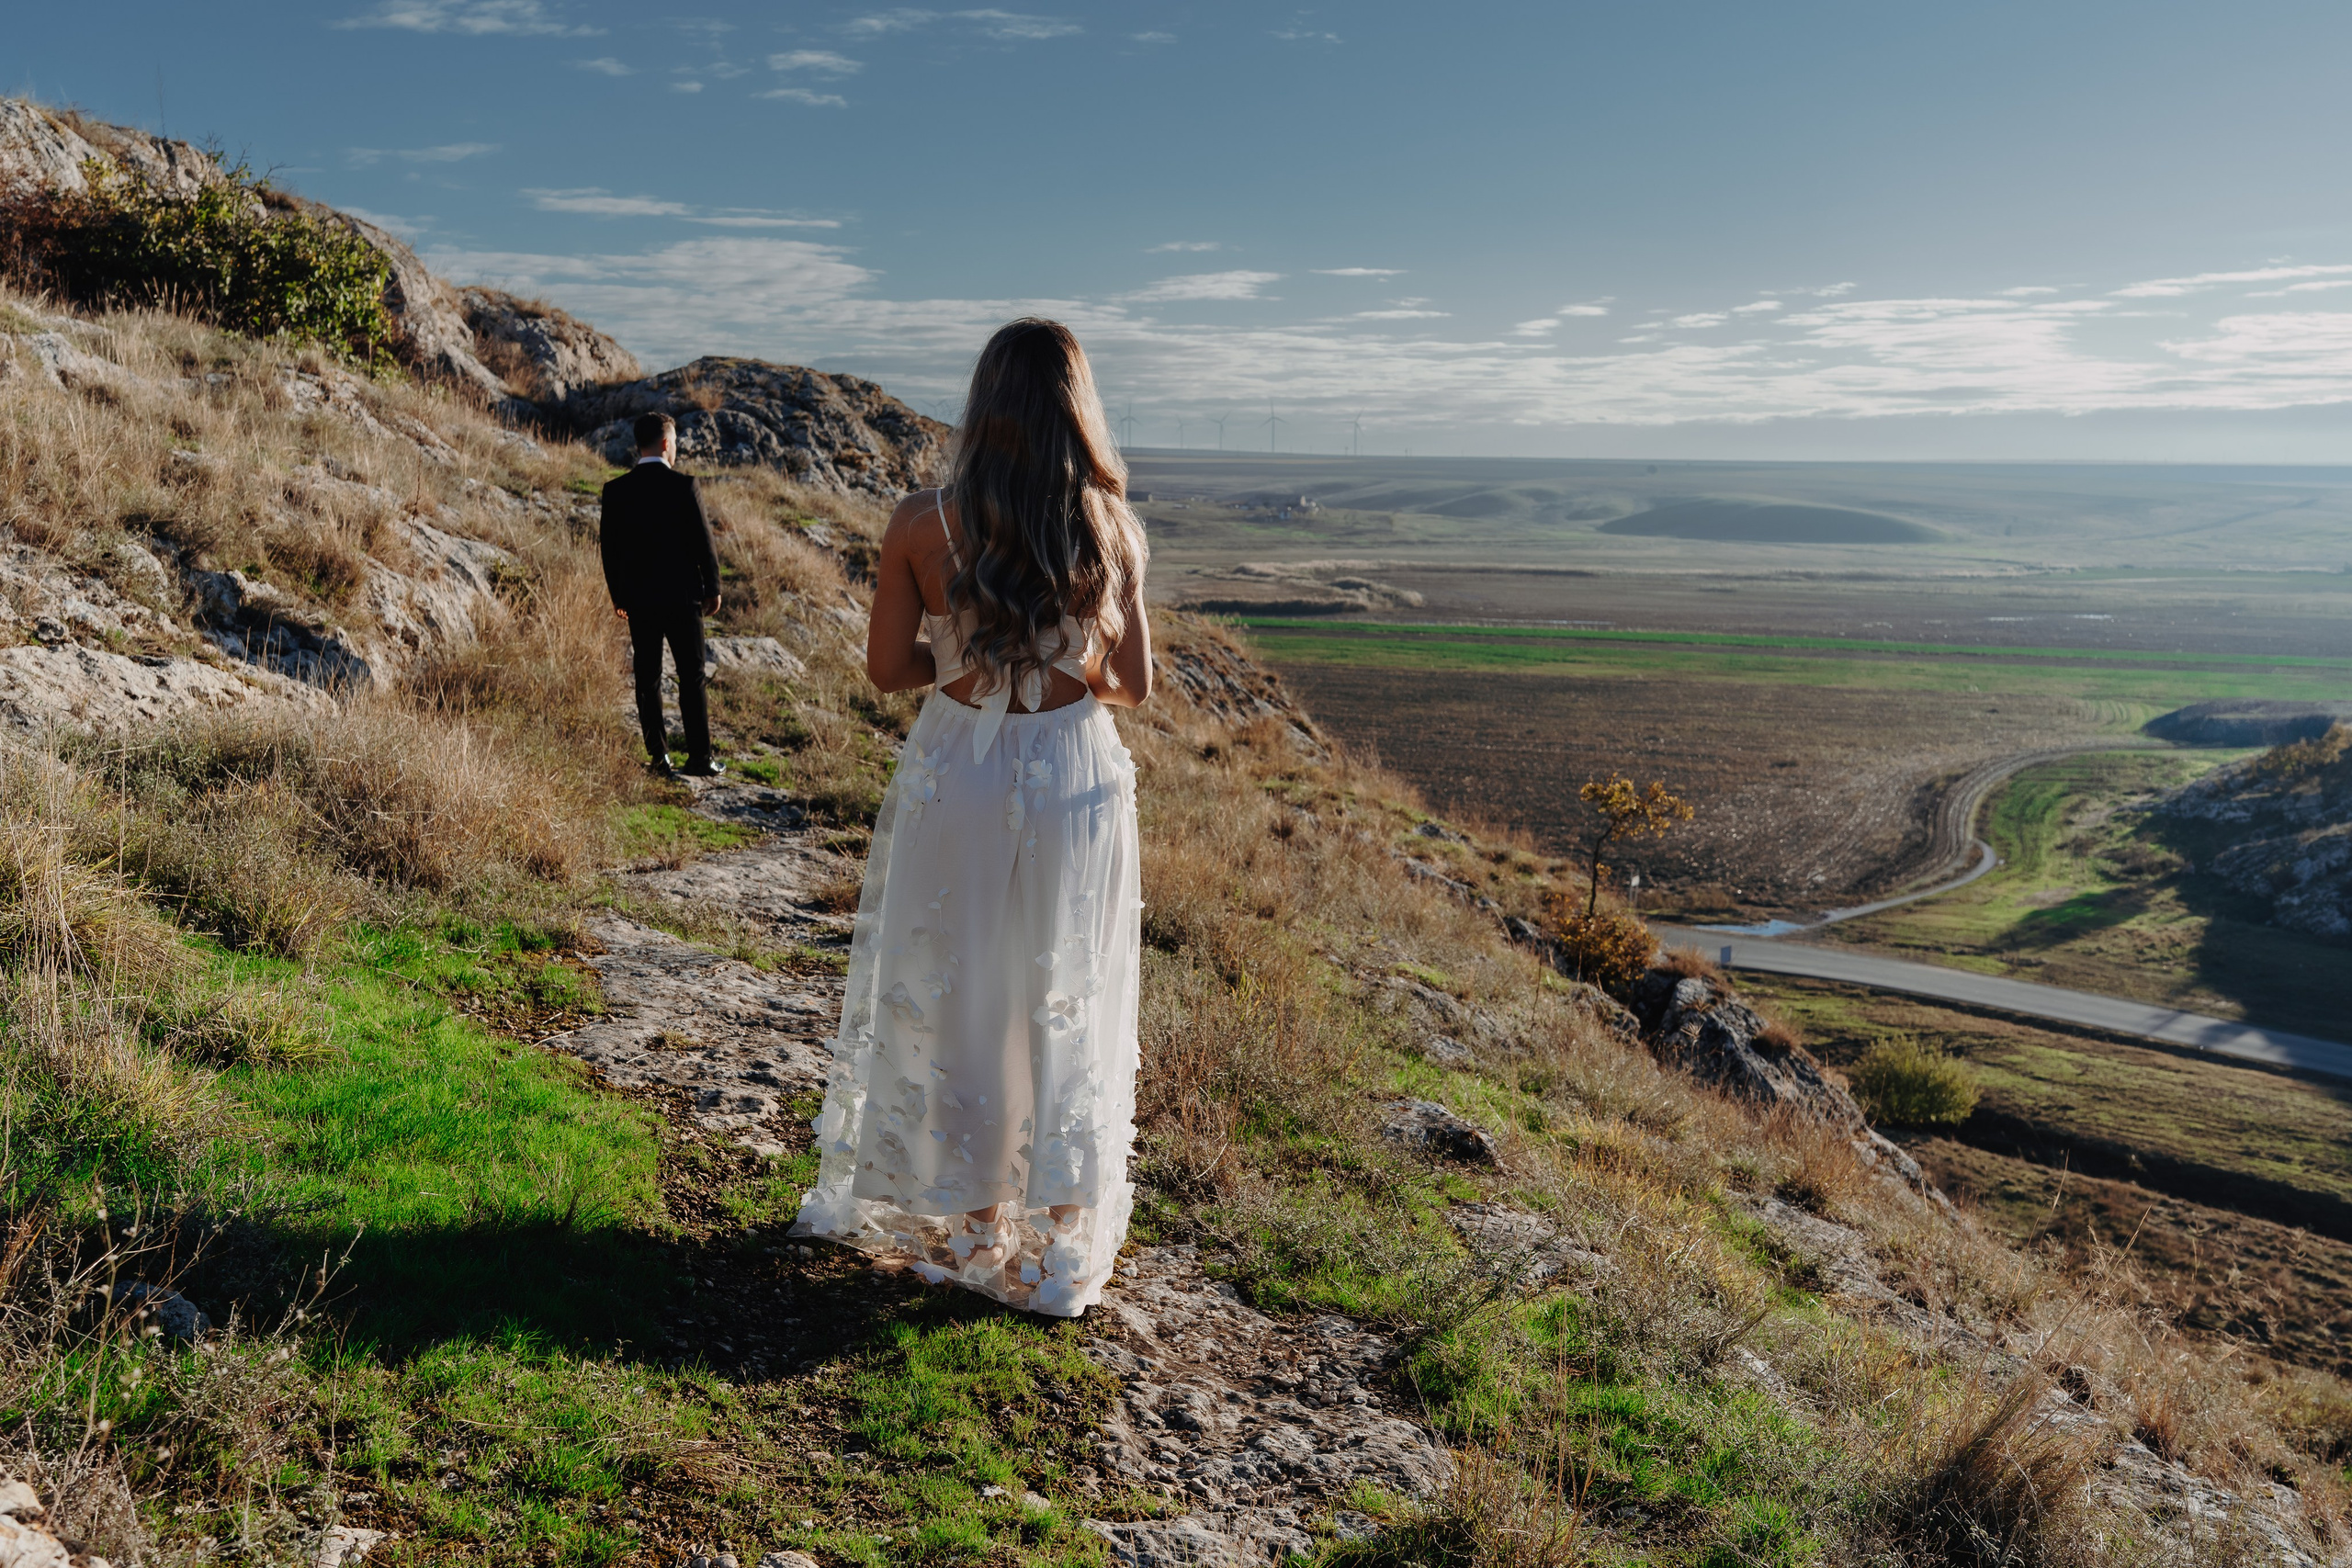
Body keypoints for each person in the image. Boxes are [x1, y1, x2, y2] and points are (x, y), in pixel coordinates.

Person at [792, 319, 1153, 1317]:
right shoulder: (1112, 527)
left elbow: (885, 669)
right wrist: (1056, 667)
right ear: (1078, 409)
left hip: (960, 762)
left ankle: (969, 1223)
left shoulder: (922, 521)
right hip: (1075, 775)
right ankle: (1054, 1242)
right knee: (1065, 984)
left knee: (959, 981)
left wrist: (966, 667)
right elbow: (1131, 683)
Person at [600, 411, 725, 779]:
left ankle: (659, 758)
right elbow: (705, 543)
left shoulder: (616, 490)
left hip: (639, 600)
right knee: (692, 676)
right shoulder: (685, 486)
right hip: (684, 598)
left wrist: (618, 596)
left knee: (648, 677)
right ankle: (700, 758)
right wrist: (713, 587)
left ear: (639, 444)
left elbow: (609, 549)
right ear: (667, 444)